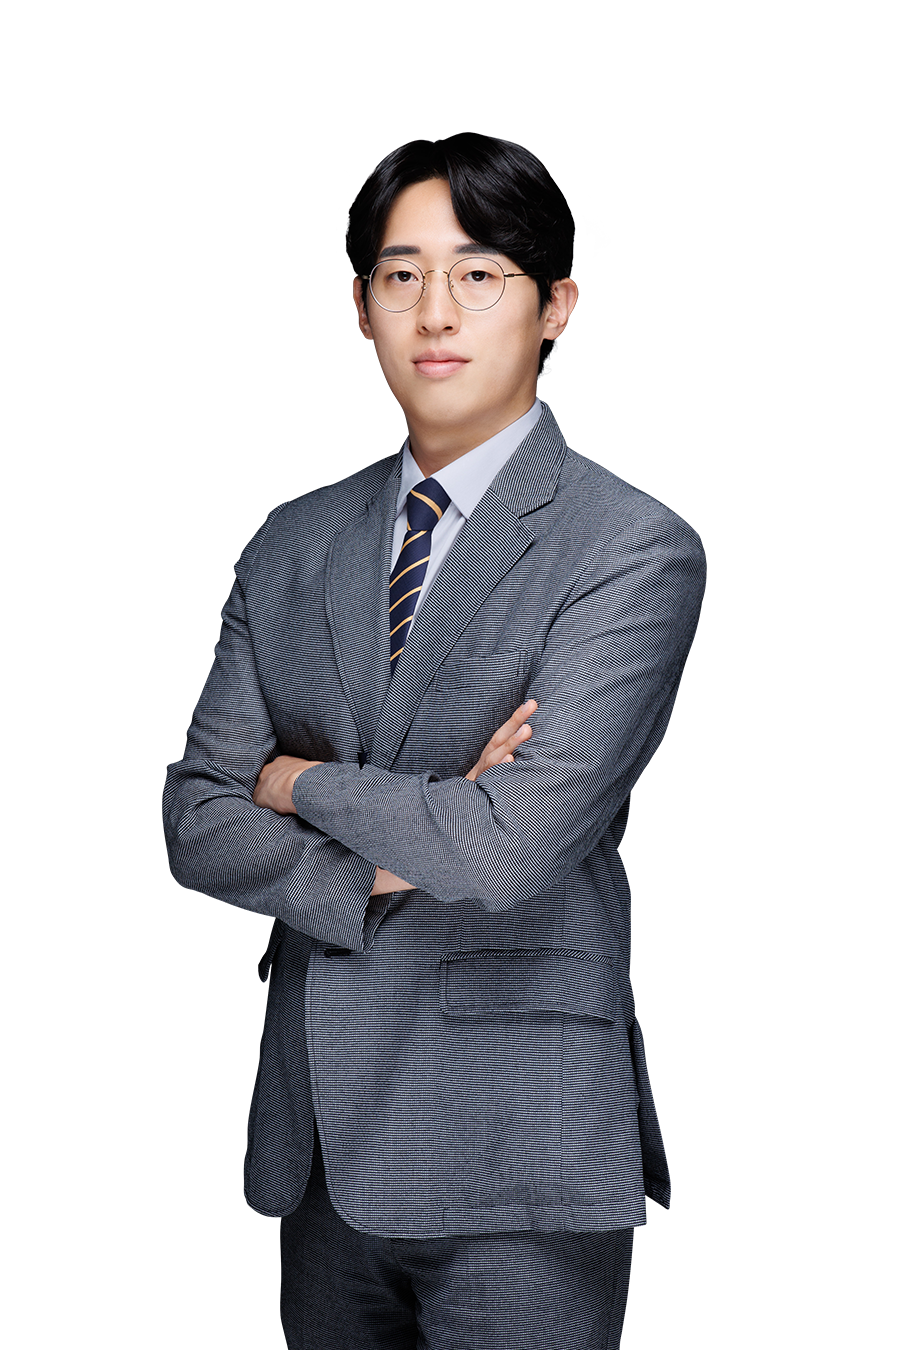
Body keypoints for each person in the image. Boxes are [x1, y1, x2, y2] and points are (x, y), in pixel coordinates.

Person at [163, 133, 706, 1349]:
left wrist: (296, 780)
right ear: (361, 306)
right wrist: (410, 836)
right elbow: (194, 821)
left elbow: (510, 847)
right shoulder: (291, 544)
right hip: (313, 1142)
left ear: (556, 306)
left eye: (479, 274)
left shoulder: (628, 548)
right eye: (402, 275)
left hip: (522, 1149)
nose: (437, 311)